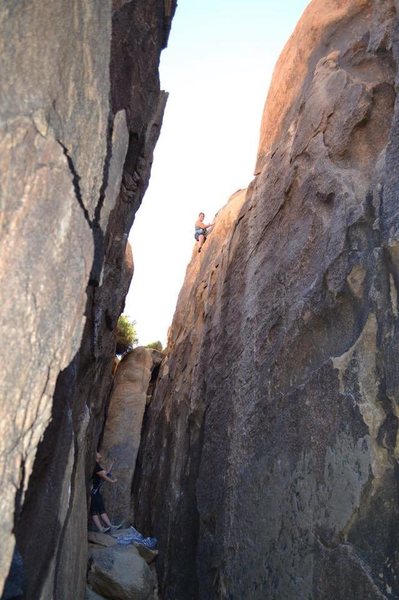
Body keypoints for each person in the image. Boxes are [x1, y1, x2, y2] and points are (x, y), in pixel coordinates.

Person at [90, 452, 121, 533]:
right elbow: (103, 476)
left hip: (96, 492)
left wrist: (112, 463)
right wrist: (112, 481)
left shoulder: (97, 465)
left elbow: (106, 473)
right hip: (94, 492)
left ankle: (109, 526)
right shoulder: (95, 466)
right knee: (95, 510)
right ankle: (102, 528)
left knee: (99, 509)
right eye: (97, 452)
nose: (99, 453)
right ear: (95, 456)